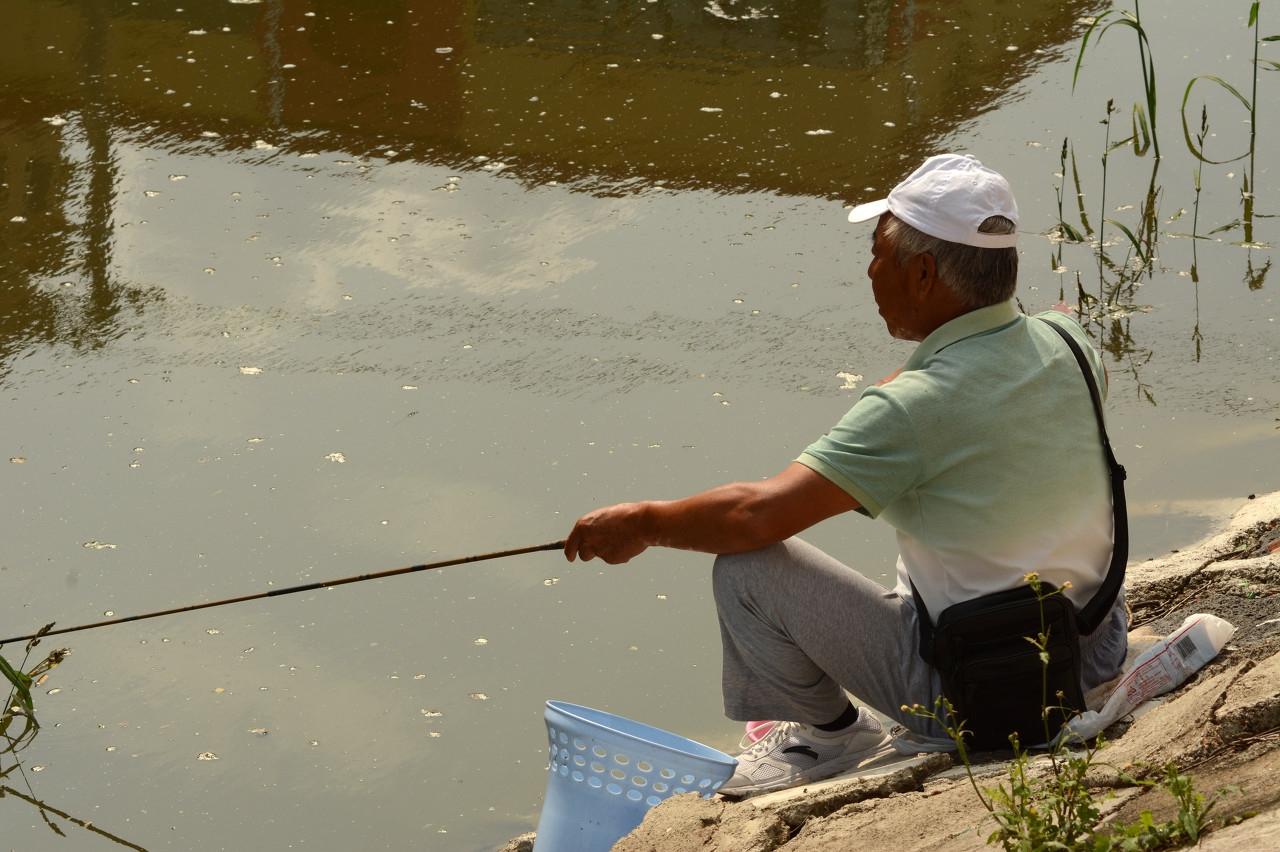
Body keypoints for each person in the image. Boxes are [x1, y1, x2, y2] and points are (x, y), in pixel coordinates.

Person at [562, 154, 1129, 796]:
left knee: (746, 569)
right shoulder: (1069, 343)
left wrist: (645, 522)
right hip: (1092, 648)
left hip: (984, 690)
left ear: (922, 273)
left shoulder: (913, 409)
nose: (869, 270)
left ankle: (828, 735)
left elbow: (756, 515)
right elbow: (984, 425)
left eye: (877, 251)